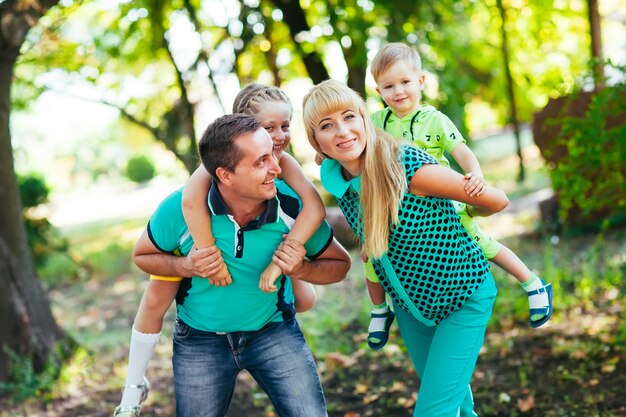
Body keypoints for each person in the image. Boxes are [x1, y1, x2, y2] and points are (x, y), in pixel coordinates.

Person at [116, 113, 351, 417]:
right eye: (260, 162)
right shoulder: (179, 210)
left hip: (274, 333)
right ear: (225, 175)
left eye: (273, 156)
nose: (276, 168)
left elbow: (340, 265)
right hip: (199, 342)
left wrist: (301, 269)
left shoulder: (292, 206)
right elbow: (142, 256)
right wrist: (188, 265)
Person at [303, 79, 509, 416]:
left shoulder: (406, 166)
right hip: (412, 309)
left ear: (365, 120)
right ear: (317, 141)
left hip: (462, 297)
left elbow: (497, 201)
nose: (342, 131)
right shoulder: (341, 181)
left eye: (349, 117)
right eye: (327, 125)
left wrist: (466, 214)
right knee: (457, 408)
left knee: (433, 412)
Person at [359, 42, 553, 349]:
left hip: (440, 207)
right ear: (379, 90)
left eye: (405, 82)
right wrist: (323, 157)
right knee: (371, 254)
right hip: (397, 211)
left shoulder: (434, 120)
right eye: (389, 86)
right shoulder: (377, 122)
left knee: (480, 241)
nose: (398, 91)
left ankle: (533, 283)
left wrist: (475, 173)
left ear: (420, 81)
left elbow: (462, 152)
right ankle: (380, 309)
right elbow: (353, 146)